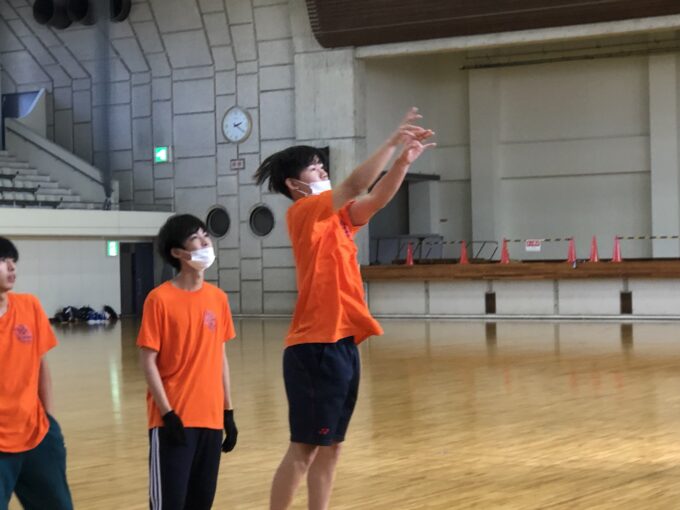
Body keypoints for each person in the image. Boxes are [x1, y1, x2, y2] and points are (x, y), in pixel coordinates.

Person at [254, 108, 435, 510]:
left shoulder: (338, 219)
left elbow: (374, 200)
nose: (323, 171)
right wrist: (392, 142)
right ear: (294, 184)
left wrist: (403, 163)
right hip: (314, 346)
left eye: (322, 166)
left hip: (342, 345)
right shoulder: (303, 213)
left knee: (332, 447)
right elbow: (356, 184)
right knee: (304, 449)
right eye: (314, 168)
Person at [137, 214, 238, 510]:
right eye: (195, 238)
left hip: (211, 419)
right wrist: (167, 414)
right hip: (174, 420)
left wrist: (228, 412)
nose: (205, 242)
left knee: (201, 503)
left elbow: (220, 357)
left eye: (206, 235)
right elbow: (148, 361)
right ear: (177, 252)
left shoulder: (218, 298)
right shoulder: (159, 299)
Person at [0, 236, 73, 510]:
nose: (12, 267)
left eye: (13, 261)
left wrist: (50, 422)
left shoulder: (29, 306)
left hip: (37, 436)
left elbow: (41, 365)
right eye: (3, 260)